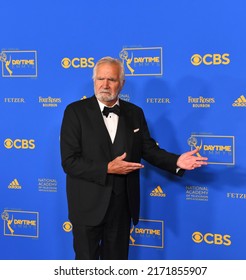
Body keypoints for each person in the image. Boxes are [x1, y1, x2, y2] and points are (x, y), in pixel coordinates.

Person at [60, 56, 208, 260]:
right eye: (100, 79)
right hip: (87, 206)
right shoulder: (74, 112)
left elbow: (148, 149)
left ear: (121, 83)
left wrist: (176, 161)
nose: (105, 85)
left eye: (111, 79)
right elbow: (69, 162)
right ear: (93, 80)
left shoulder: (135, 113)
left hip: (122, 206)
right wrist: (107, 168)